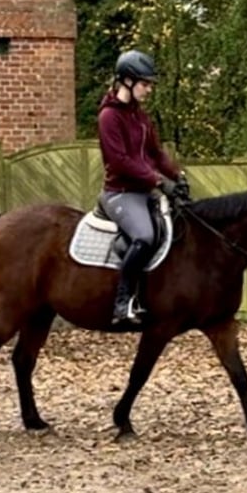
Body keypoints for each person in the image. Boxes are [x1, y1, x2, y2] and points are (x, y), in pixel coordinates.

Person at [96, 49, 190, 324]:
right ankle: (122, 304)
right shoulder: (109, 118)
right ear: (127, 80)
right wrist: (159, 182)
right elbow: (120, 161)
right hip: (120, 194)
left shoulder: (140, 117)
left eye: (149, 84)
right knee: (145, 237)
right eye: (145, 83)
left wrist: (177, 176)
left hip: (143, 191)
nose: (149, 89)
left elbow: (155, 153)